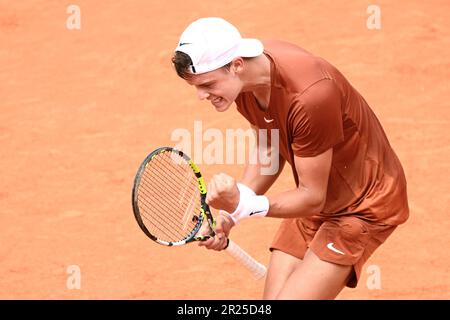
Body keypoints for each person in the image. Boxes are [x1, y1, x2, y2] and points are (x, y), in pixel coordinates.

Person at [171, 17, 409, 300]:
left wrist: (243, 203)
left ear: (236, 65)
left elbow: (311, 196)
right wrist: (228, 217)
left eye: (207, 84)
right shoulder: (248, 79)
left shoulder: (311, 96)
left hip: (364, 204)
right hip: (318, 199)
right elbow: (268, 150)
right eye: (196, 86)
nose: (201, 96)